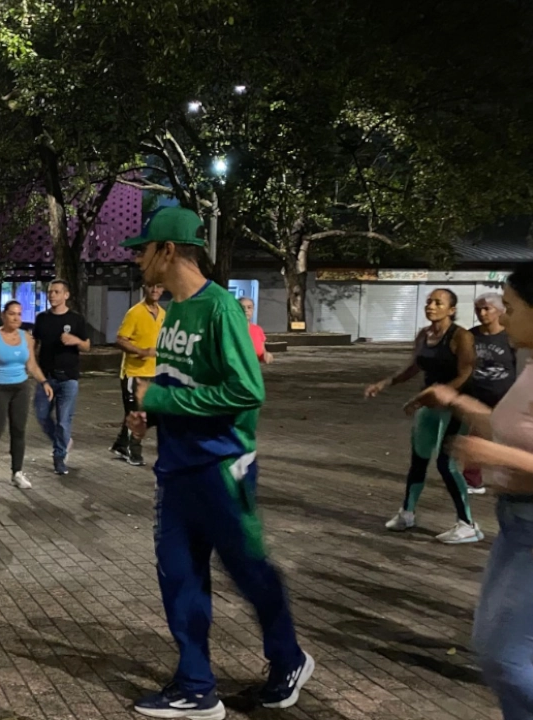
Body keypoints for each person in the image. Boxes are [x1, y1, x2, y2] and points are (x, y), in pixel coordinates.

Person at [122, 207, 313, 718]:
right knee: (179, 576)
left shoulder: (220, 309)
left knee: (248, 571)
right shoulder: (176, 313)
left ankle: (288, 658)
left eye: (143, 249)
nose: (137, 258)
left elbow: (247, 391)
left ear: (168, 251)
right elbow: (174, 380)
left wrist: (161, 403)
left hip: (223, 469)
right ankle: (195, 686)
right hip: (177, 469)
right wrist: (150, 414)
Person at [412, 265, 533, 718]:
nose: (502, 313)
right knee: (491, 646)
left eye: (513, 307)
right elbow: (515, 430)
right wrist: (458, 402)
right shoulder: (530, 364)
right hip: (514, 525)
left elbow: (511, 449)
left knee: (505, 658)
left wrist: (493, 455)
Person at [365, 288, 480, 544]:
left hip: (454, 406)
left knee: (446, 465)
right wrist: (386, 383)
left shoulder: (460, 336)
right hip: (428, 405)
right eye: (429, 301)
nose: (431, 306)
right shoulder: (424, 335)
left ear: (451, 309)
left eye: (438, 302)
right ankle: (407, 513)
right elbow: (414, 365)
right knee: (419, 459)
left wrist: (440, 393)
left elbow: (466, 372)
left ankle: (468, 523)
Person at [0, 300, 52, 494]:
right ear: (3, 315)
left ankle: (17, 472)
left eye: (19, 314)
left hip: (21, 388)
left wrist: (44, 382)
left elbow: (32, 365)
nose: (16, 318)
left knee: (19, 430)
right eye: (12, 314)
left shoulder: (27, 338)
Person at [33, 279, 90, 475]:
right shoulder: (42, 318)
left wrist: (75, 340)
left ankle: (59, 457)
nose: (52, 295)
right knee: (41, 415)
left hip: (68, 378)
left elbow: (87, 346)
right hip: (46, 377)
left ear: (66, 295)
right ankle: (64, 441)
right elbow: (34, 344)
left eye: (56, 292)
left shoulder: (76, 319)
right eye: (50, 292)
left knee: (64, 420)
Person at [462, 292, 517, 495]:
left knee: (511, 441)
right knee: (476, 439)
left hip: (505, 397)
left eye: (487, 308)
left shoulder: (510, 337)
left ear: (500, 311)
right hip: (478, 397)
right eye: (478, 309)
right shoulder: (470, 336)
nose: (482, 313)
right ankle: (472, 481)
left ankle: (514, 480)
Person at [113, 283, 166, 467]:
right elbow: (120, 339)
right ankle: (133, 451)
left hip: (154, 372)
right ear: (144, 287)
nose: (155, 290)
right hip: (133, 373)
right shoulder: (134, 312)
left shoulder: (163, 315)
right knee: (136, 412)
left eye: (159, 287)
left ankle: (121, 444)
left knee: (145, 412)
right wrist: (141, 352)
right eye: (151, 286)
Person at [239, 297, 274, 364]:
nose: (246, 310)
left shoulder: (258, 330)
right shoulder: (231, 329)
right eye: (242, 308)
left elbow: (262, 352)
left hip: (254, 371)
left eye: (249, 307)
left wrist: (266, 355)